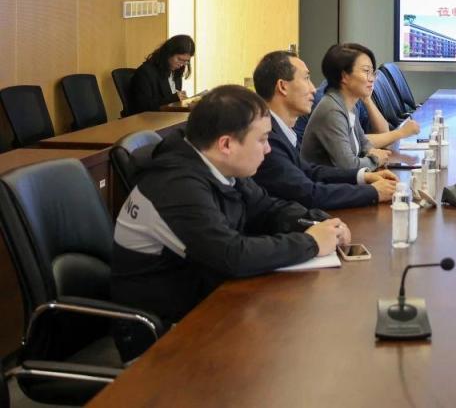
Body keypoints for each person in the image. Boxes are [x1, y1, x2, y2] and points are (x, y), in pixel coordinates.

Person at [111, 85, 349, 328]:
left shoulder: (217, 164)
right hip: (163, 328)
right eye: (262, 139)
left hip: (208, 297)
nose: (268, 149)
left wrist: (317, 221)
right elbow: (232, 255)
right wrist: (311, 242)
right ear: (226, 145)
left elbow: (267, 208)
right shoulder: (176, 186)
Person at [251, 50, 398, 209]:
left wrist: (362, 176)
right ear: (282, 87)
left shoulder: (281, 131)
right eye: (306, 78)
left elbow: (310, 171)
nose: (313, 89)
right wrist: (372, 192)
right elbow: (309, 194)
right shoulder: (268, 140)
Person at [301, 43, 400, 170]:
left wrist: (373, 152)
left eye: (372, 73)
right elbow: (348, 166)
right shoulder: (332, 110)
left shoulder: (348, 105)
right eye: (366, 71)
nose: (372, 79)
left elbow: (363, 143)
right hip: (328, 182)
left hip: (344, 180)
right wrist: (376, 160)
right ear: (344, 76)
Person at [126, 34, 195, 115]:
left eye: (186, 61)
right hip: (150, 119)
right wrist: (173, 98)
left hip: (169, 117)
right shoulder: (146, 72)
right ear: (168, 53)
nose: (182, 64)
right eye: (179, 59)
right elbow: (143, 107)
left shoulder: (177, 70)